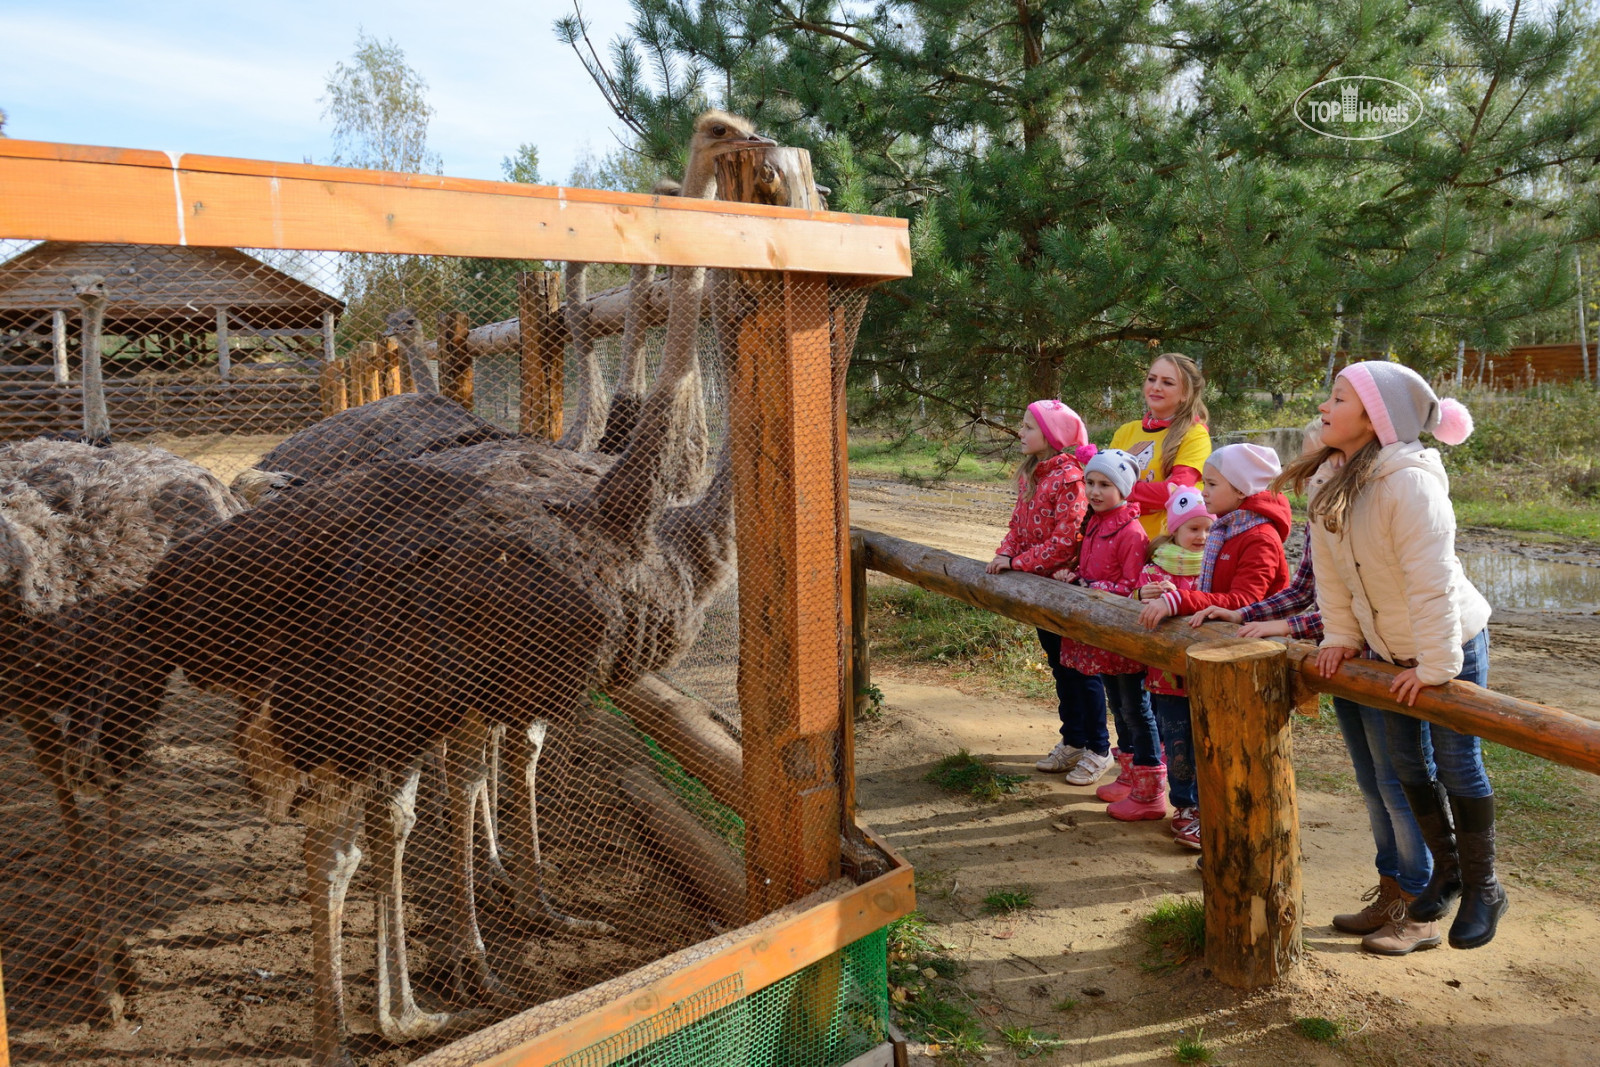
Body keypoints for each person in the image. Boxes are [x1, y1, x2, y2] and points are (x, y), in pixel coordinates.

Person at [1191, 422, 1439, 953]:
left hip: (1392, 656)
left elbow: (1378, 591)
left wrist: (1286, 626)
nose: (1308, 471)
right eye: (1309, 461)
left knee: (1399, 784)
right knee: (1373, 784)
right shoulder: (1328, 507)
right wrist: (1248, 616)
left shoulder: (1386, 498)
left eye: (1319, 459)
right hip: (1350, 657)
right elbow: (1310, 588)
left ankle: (1420, 909)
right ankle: (1391, 892)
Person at [1283, 361, 1502, 952]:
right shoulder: (1330, 478)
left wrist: (1433, 668)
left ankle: (1484, 886)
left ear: (1376, 416)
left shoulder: (1409, 481)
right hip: (1387, 648)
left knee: (1457, 762)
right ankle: (1446, 872)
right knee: (1406, 766)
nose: (1324, 407)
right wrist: (1340, 640)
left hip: (1447, 640)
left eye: (1338, 398)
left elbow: (1430, 582)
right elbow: (1332, 576)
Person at [1138, 443, 1292, 850]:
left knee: (1228, 747)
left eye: (1212, 483)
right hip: (1217, 654)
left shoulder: (1259, 537)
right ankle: (1199, 814)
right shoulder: (1228, 525)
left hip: (1246, 662)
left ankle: (1231, 827)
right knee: (1192, 736)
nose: (1203, 491)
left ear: (1241, 488)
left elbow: (1246, 601)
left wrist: (1181, 600)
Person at [987, 400, 1098, 774]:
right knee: (1058, 666)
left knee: (1081, 670)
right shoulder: (1032, 474)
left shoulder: (1071, 477)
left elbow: (1066, 542)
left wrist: (1017, 563)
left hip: (1066, 591)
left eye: (1029, 427)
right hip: (1039, 590)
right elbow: (1018, 526)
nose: (1021, 432)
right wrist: (1003, 554)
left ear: (1052, 436)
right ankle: (1073, 740)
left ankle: (1098, 748)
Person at [1108, 486, 1214, 820]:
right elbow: (1135, 600)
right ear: (1174, 529)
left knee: (1204, 740)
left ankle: (1203, 805)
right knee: (1174, 736)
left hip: (1204, 671)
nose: (1202, 536)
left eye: (1208, 529)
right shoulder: (1157, 567)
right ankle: (1182, 804)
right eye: (1193, 529)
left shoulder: (1211, 569)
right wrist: (1142, 593)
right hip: (1165, 675)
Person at [1048, 448, 1151, 788]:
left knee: (1132, 709)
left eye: (1105, 484)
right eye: (1090, 482)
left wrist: (1089, 584)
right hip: (1095, 629)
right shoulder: (1094, 522)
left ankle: (1138, 773)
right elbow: (1090, 567)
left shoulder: (1132, 532)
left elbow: (1132, 586)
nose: (1094, 491)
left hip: (1119, 634)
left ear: (1124, 489)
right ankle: (1122, 770)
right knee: (1115, 703)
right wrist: (1072, 574)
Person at [1111, 353, 1213, 540]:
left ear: (1185, 394)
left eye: (1167, 382)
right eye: (1152, 379)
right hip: (1117, 538)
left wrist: (1120, 490)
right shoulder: (1125, 431)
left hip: (1162, 545)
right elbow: (1102, 484)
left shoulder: (1195, 435)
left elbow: (1176, 491)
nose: (1156, 387)